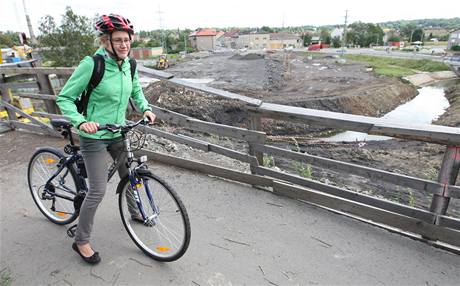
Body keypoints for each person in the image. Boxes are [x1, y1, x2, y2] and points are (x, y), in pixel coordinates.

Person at [56, 14, 156, 264]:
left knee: (129, 175)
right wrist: (81, 122)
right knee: (98, 191)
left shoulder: (129, 64)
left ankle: (136, 213)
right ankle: (81, 241)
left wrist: (145, 108)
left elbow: (136, 90)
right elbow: (65, 98)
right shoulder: (92, 64)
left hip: (118, 131)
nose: (124, 45)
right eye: (118, 40)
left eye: (127, 40)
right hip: (94, 135)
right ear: (105, 41)